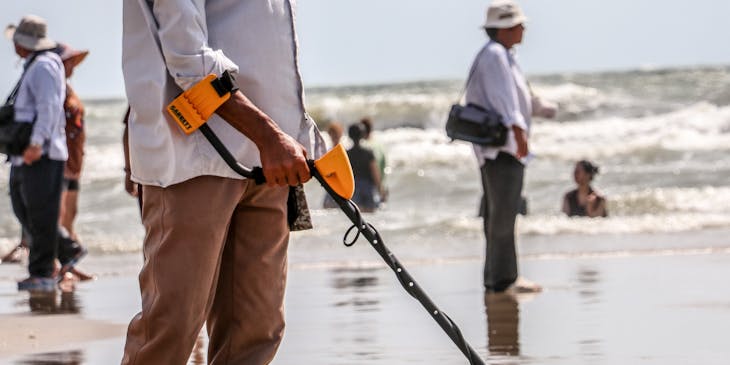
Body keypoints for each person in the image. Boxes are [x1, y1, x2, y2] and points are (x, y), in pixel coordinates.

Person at [121, 1, 326, 364]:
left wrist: (293, 138)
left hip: (268, 162)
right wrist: (270, 136)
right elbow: (187, 58)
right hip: (193, 157)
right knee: (171, 327)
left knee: (256, 330)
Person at [466, 1, 556, 294]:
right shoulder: (495, 56)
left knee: (498, 213)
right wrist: (520, 135)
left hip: (497, 148)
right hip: (502, 148)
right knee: (504, 213)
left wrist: (543, 110)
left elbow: (515, 99)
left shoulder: (501, 55)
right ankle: (504, 279)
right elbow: (505, 102)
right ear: (505, 28)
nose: (524, 29)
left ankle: (497, 277)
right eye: (519, 24)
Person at [4, 15, 85, 292]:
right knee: (24, 206)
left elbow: (50, 108)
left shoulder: (45, 66)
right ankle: (67, 250)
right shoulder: (36, 66)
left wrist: (36, 144)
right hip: (27, 154)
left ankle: (41, 272)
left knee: (39, 213)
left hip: (42, 155)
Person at [346, 123, 383, 212]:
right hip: (368, 187)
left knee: (358, 214)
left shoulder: (347, 154)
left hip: (354, 187)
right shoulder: (368, 152)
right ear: (362, 135)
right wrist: (380, 189)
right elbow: (375, 172)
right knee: (371, 212)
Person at [360, 117, 388, 203]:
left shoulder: (361, 146)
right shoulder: (380, 146)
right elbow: (383, 169)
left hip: (363, 187)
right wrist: (381, 189)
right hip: (377, 186)